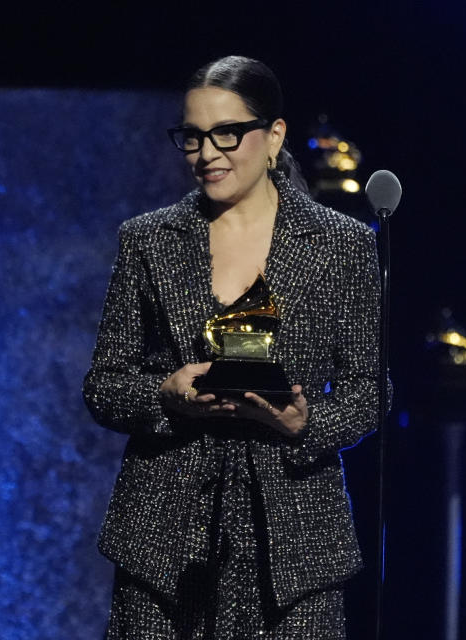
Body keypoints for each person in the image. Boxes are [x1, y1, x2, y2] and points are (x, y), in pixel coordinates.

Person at [83, 55, 381, 639]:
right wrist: (167, 396)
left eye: (227, 133)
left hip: (295, 540)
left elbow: (370, 390)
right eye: (192, 137)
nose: (207, 153)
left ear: (274, 136)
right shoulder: (148, 240)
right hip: (163, 537)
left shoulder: (343, 245)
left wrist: (306, 423)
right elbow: (104, 384)